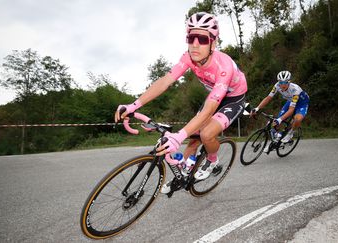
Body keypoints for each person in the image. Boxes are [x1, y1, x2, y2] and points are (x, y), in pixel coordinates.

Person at [114, 12, 247, 193]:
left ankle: (212, 160)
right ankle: (184, 173)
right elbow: (164, 82)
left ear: (213, 43)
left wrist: (178, 136)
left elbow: (209, 109)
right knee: (193, 139)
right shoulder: (187, 58)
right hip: (214, 96)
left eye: (202, 39)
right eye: (191, 38)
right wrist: (133, 105)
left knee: (206, 134)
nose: (195, 44)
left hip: (233, 99)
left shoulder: (224, 66)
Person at [250, 71, 309, 152]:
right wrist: (257, 108)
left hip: (302, 103)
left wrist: (280, 119)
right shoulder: (277, 86)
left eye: (285, 82)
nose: (282, 85)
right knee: (276, 122)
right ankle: (275, 141)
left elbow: (291, 110)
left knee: (297, 119)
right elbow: (268, 98)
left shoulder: (295, 90)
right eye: (280, 82)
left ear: (289, 81)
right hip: (290, 101)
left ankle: (290, 133)